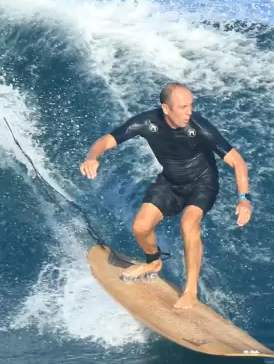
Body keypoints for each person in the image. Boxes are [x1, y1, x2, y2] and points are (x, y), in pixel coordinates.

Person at [79, 83, 252, 310]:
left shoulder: (199, 127)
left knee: (188, 223)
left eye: (191, 105)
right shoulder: (146, 123)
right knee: (141, 227)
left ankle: (190, 291)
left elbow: (237, 162)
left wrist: (243, 198)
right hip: (170, 182)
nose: (189, 111)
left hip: (203, 184)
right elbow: (107, 140)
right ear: (166, 108)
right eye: (183, 107)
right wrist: (92, 157)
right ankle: (153, 263)